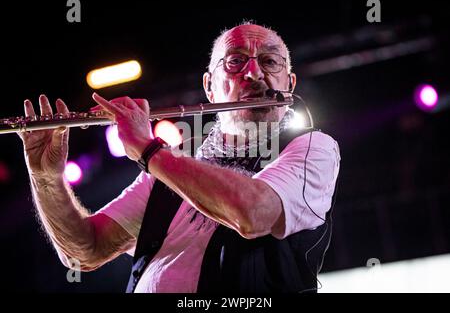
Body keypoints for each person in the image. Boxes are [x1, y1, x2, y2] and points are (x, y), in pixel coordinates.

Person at [18, 23, 341, 293]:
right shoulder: (169, 166)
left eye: (270, 62)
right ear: (209, 87)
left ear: (289, 83)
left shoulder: (312, 146)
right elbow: (85, 252)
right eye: (235, 62)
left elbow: (253, 213)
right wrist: (46, 177)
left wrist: (148, 149)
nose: (254, 73)